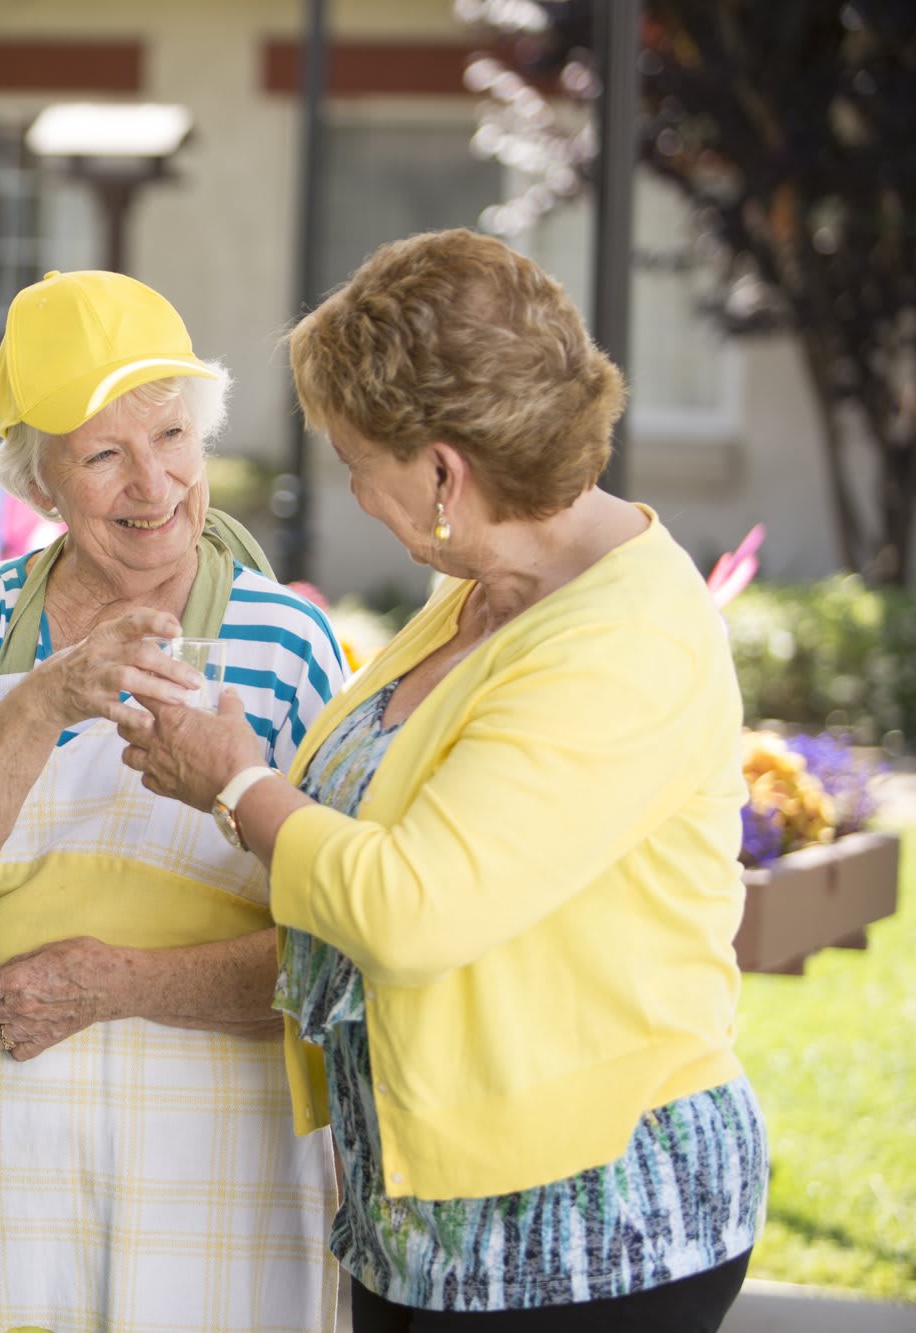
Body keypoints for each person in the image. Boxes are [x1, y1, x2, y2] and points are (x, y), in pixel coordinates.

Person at [117, 229, 766, 1332]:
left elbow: (412, 907)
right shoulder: (485, 587)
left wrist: (238, 788)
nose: (353, 488)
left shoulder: (620, 638)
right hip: (429, 1221)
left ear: (441, 472)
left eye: (350, 457)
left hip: (584, 1228)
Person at [0, 269, 346, 1333]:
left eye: (172, 436)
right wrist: (47, 695)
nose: (153, 483)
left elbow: (335, 935)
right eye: (100, 455)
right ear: (36, 486)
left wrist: (115, 982)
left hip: (223, 1127)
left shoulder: (287, 645)